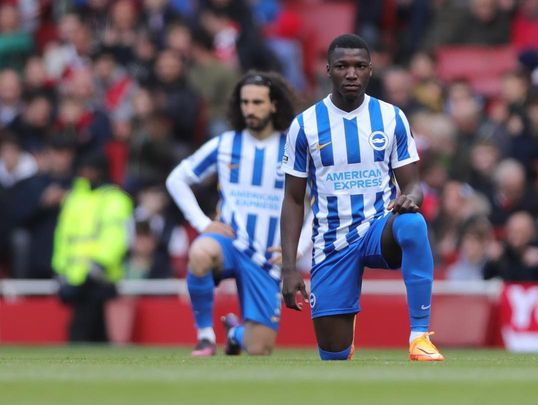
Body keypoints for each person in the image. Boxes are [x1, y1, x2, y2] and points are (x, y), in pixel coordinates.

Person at [280, 34, 444, 361]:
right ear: (328, 70)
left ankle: (419, 336)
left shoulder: (391, 117)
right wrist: (289, 267)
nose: (351, 74)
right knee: (334, 354)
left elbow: (413, 186)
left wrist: (410, 199)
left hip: (378, 229)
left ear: (371, 69)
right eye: (342, 66)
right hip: (332, 241)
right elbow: (294, 200)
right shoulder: (305, 125)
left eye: (359, 66)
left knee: (413, 224)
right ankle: (342, 327)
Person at [166, 71, 297, 356]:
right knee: (200, 251)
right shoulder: (225, 144)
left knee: (259, 348)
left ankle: (235, 333)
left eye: (257, 103)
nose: (250, 109)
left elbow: (316, 201)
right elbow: (176, 179)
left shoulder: (292, 148)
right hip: (229, 241)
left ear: (274, 105)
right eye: (245, 102)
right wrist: (203, 223)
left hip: (266, 255)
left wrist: (298, 248)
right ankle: (205, 337)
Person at [53, 152, 134, 342]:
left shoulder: (115, 199)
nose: (84, 173)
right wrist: (60, 269)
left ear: (100, 171)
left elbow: (117, 236)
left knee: (81, 331)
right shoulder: (74, 198)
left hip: (100, 276)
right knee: (96, 333)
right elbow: (63, 237)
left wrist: (99, 265)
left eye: (88, 169)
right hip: (74, 275)